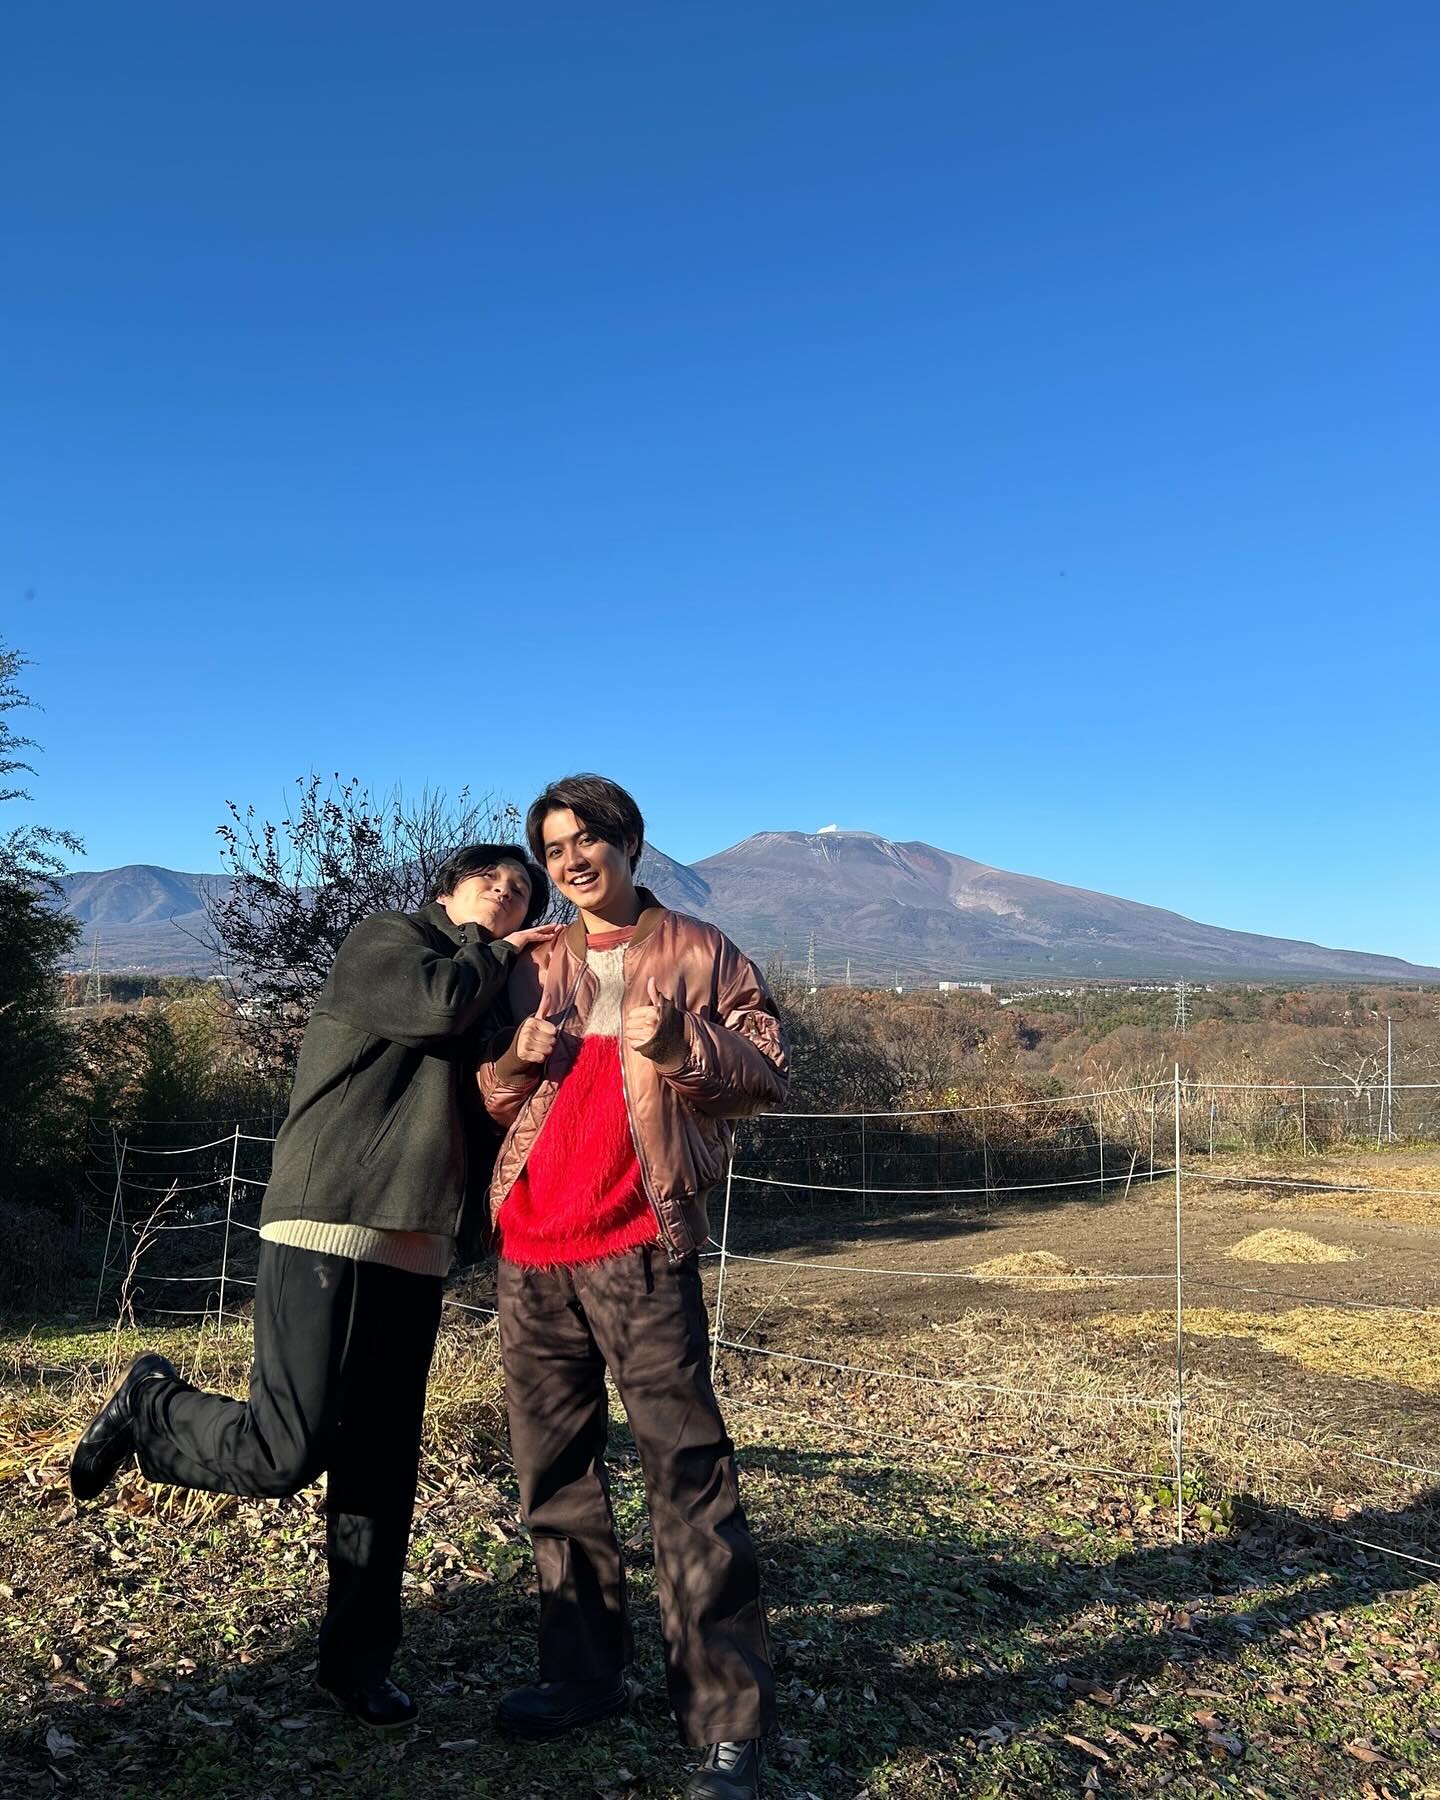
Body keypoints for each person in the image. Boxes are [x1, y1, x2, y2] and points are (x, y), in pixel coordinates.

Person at [68, 845, 553, 1730]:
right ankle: (151, 1405)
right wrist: (497, 949)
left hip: (417, 1245)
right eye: (491, 880)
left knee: (380, 1464)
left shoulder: (494, 986)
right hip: (327, 1219)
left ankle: (356, 1664)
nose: (507, 893)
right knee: (283, 1451)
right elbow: (433, 1006)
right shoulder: (391, 942)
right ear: (447, 891)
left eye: (522, 893)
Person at [479, 775, 788, 1800]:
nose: (571, 860)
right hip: (530, 1252)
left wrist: (681, 1043)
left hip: (640, 1247)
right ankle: (581, 1676)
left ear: (630, 843)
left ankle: (726, 1722)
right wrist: (513, 1063)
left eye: (588, 839)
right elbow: (489, 1097)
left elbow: (765, 1072)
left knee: (688, 1480)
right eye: (553, 847)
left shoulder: (700, 949)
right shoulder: (530, 962)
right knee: (554, 1477)